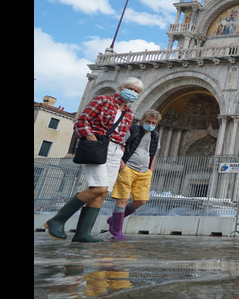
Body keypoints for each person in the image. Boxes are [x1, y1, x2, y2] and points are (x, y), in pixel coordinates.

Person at [45, 78, 143, 243]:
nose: (132, 93)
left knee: (103, 192)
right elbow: (82, 121)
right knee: (99, 187)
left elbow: (121, 133)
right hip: (97, 145)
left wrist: (120, 149)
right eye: (130, 88)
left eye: (136, 91)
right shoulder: (102, 100)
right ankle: (57, 220)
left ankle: (83, 234)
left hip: (115, 151)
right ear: (120, 88)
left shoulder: (128, 112)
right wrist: (90, 137)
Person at [104, 109, 161, 240]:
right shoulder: (133, 129)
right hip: (127, 168)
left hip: (144, 172)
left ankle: (114, 220)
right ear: (143, 120)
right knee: (122, 199)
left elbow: (153, 154)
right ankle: (117, 232)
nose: (150, 124)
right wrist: (122, 164)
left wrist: (151, 170)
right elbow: (120, 145)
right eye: (148, 121)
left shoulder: (155, 136)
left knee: (141, 200)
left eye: (153, 123)